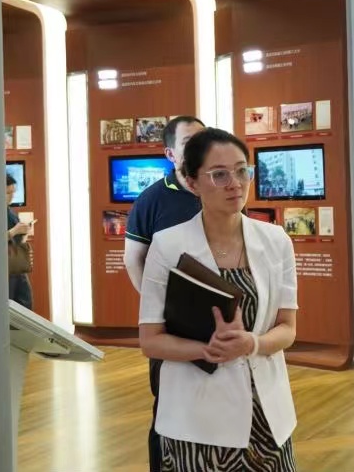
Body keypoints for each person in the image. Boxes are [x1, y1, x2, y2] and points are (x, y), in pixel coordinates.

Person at [139, 128, 298, 471]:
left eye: (242, 171)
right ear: (192, 182)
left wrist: (251, 343)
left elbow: (287, 328)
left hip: (266, 416)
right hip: (196, 420)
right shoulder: (167, 245)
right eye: (219, 174)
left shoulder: (276, 241)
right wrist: (206, 350)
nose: (235, 184)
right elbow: (150, 341)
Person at [124, 115, 205, 472]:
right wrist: (156, 308)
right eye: (189, 142)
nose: (199, 147)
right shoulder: (152, 199)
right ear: (170, 154)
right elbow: (133, 259)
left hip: (217, 320)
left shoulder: (218, 187)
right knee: (168, 408)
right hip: (170, 327)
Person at [6, 173, 33, 309]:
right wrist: (14, 231)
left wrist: (23, 232)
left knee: (25, 302)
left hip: (17, 265)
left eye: (13, 192)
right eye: (8, 193)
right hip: (6, 267)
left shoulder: (10, 212)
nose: (11, 196)